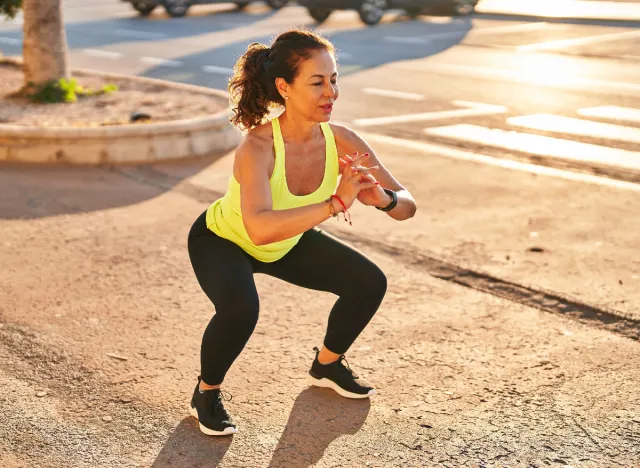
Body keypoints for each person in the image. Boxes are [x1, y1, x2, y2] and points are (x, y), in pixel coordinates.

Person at [187, 28, 417, 436]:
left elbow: (407, 205)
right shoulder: (258, 147)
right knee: (240, 309)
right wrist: (336, 203)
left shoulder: (342, 139)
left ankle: (327, 363)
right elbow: (257, 230)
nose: (331, 92)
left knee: (368, 282)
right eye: (317, 82)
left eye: (334, 80)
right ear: (284, 87)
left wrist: (381, 199)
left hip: (288, 238)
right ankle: (207, 391)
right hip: (224, 240)